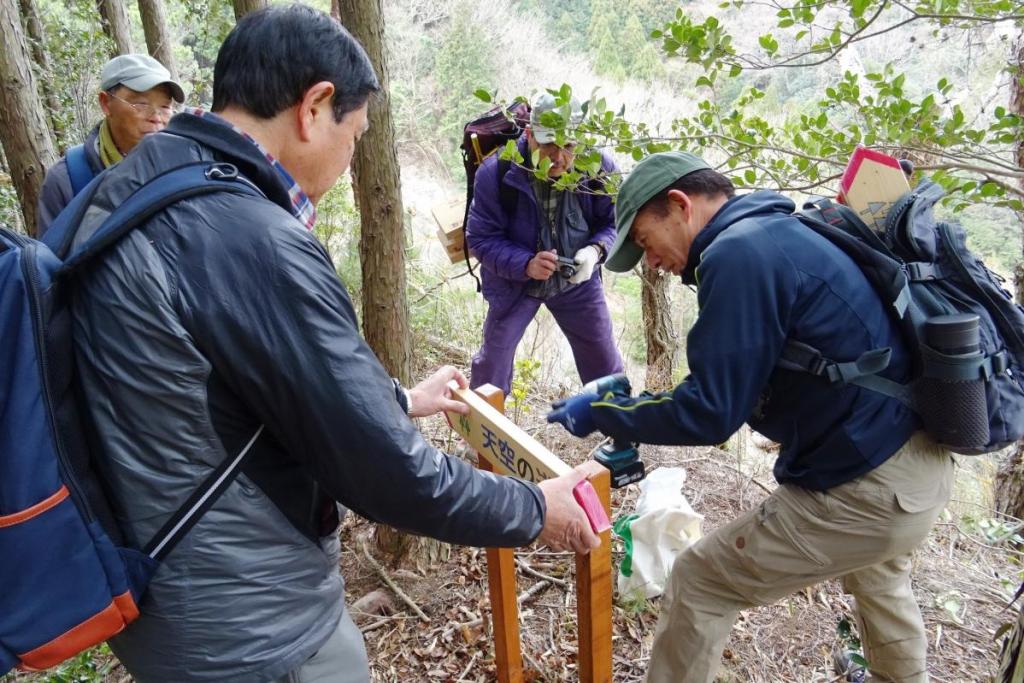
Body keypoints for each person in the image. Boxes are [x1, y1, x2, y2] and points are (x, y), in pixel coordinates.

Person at [67, 6, 602, 682]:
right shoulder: (248, 237)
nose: (352, 160)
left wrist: (400, 398)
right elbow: (387, 472)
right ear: (315, 106)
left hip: (153, 591)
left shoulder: (123, 192)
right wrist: (534, 508)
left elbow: (215, 387)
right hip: (250, 624)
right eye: (355, 134)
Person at [547, 151, 955, 683]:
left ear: (680, 205)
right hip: (916, 468)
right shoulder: (781, 230)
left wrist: (607, 412)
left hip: (868, 489)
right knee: (879, 578)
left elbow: (710, 413)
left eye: (647, 241)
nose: (651, 261)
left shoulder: (737, 255)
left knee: (699, 582)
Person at [465, 92, 624, 395]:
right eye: (548, 143)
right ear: (529, 134)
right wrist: (525, 264)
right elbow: (481, 238)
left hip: (575, 281)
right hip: (514, 284)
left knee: (604, 365)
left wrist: (595, 251)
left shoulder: (597, 168)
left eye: (568, 145)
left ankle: (621, 434)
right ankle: (483, 438)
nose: (558, 156)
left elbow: (615, 222)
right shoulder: (498, 172)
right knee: (491, 370)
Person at [36, 53, 184, 236]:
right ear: (105, 103)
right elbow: (52, 261)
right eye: (141, 103)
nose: (156, 118)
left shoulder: (183, 166)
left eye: (165, 107)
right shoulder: (69, 179)